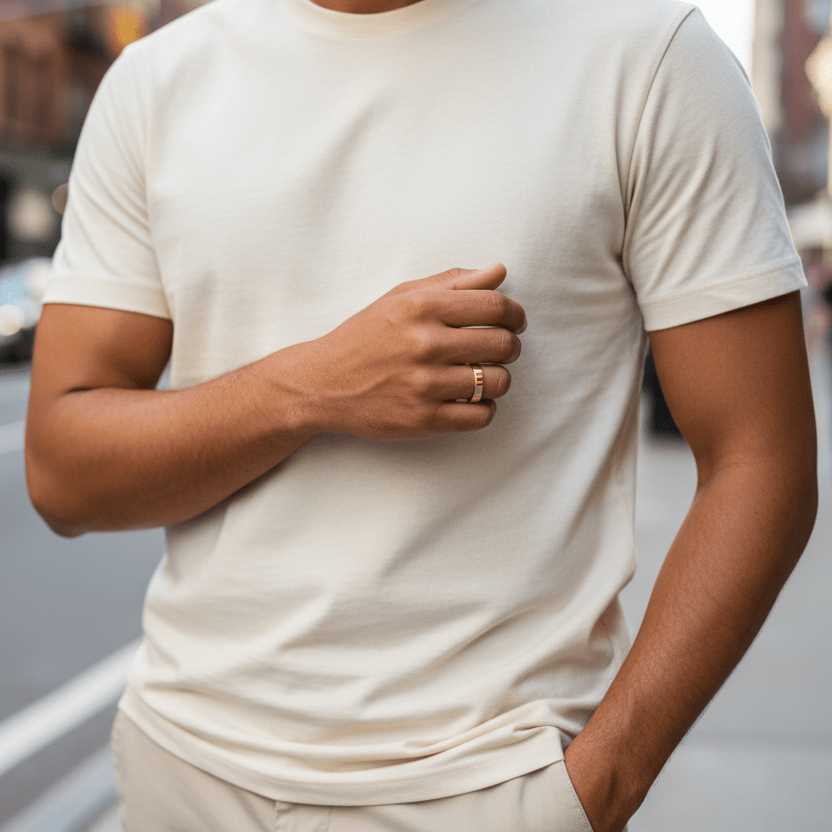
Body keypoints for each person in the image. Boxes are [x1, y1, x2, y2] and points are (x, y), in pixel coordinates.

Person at [25, 0, 817, 829]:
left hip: (487, 784)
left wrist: (596, 788)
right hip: (181, 769)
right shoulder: (157, 80)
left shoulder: (649, 61)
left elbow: (762, 461)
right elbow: (62, 470)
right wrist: (309, 388)